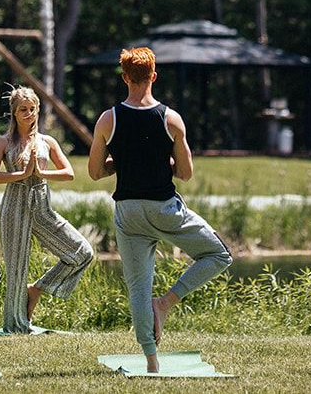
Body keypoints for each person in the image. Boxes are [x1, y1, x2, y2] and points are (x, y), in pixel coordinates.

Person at [88, 47, 231, 374]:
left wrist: (119, 162)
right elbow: (185, 172)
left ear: (124, 77)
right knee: (218, 255)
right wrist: (161, 160)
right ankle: (165, 304)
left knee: (138, 287)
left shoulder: (108, 119)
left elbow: (96, 171)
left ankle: (152, 362)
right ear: (154, 76)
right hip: (165, 209)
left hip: (129, 212)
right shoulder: (171, 119)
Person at [0, 86, 94, 333]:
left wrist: (41, 172)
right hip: (14, 206)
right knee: (16, 269)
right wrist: (21, 174)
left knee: (82, 252)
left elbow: (69, 172)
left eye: (33, 109)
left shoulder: (47, 141)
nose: (29, 114)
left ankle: (37, 289)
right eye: (23, 110)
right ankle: (16, 325)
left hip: (42, 208)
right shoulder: (3, 142)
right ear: (13, 112)